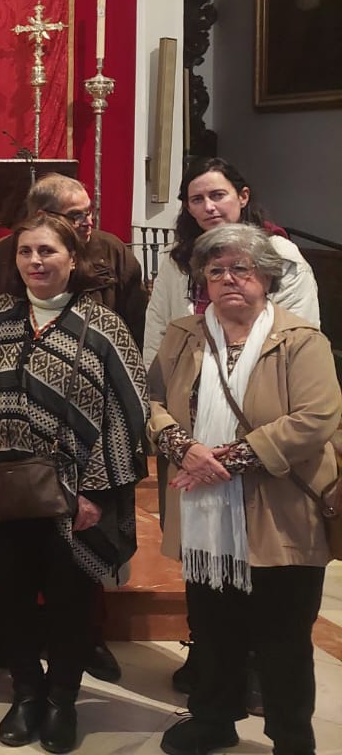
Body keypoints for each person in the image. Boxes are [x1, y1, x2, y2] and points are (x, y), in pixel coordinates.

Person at [148, 223, 338, 755]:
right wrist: (182, 446)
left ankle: (291, 736)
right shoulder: (184, 334)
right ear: (202, 281)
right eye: (216, 271)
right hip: (207, 516)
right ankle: (213, 718)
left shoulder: (301, 339)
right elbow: (153, 402)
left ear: (266, 279)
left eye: (241, 269)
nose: (229, 279)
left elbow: (317, 417)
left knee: (283, 638)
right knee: (211, 626)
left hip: (283, 513)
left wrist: (228, 458)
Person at [0, 213, 148, 753]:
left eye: (47, 251)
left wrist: (97, 490)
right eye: (25, 252)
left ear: (72, 258)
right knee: (13, 595)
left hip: (76, 489)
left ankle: (62, 700)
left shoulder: (102, 325)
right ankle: (26, 696)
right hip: (8, 483)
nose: (35, 262)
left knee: (70, 600)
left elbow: (129, 411)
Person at [143, 156, 319, 366]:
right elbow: (158, 329)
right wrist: (154, 390)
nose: (209, 207)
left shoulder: (282, 257)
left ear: (243, 196)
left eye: (217, 195)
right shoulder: (176, 261)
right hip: (186, 384)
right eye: (197, 199)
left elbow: (299, 336)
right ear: (189, 208)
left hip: (264, 382)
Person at [0, 173, 146, 344]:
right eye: (76, 216)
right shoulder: (0, 255)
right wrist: (8, 332)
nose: (88, 222)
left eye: (89, 212)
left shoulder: (112, 251)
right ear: (42, 216)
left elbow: (137, 321)